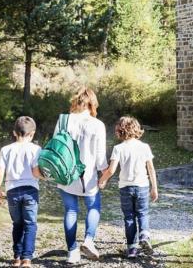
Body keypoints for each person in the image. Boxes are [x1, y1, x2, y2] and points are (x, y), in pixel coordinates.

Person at [56, 87, 108, 264]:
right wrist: (104, 174)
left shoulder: (63, 119)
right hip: (88, 176)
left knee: (71, 211)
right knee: (93, 207)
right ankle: (88, 240)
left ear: (76, 101)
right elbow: (101, 157)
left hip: (65, 174)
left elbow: (55, 146)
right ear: (92, 104)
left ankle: (72, 251)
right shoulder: (97, 125)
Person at [98, 116, 158, 258]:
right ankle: (144, 235)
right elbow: (151, 169)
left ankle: (132, 249)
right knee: (143, 213)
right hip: (142, 186)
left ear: (120, 131)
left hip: (125, 187)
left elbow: (112, 170)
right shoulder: (144, 147)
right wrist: (154, 188)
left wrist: (101, 180)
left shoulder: (118, 148)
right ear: (136, 129)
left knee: (129, 217)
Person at [0, 116, 42, 268]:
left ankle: (16, 258)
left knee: (17, 224)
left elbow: (0, 173)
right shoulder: (36, 149)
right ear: (32, 133)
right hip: (30, 190)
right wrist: (44, 177)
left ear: (14, 132)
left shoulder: (6, 149)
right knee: (30, 224)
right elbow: (35, 173)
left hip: (12, 190)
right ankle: (27, 259)